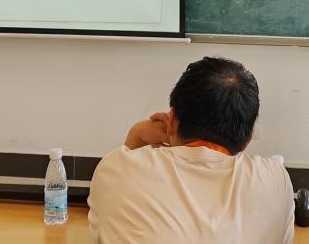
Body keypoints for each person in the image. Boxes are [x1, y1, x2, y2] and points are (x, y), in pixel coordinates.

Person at [87, 56, 295, 244]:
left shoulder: (115, 170)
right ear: (246, 141)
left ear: (172, 120)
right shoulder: (277, 181)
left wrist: (136, 135)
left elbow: (116, 187)